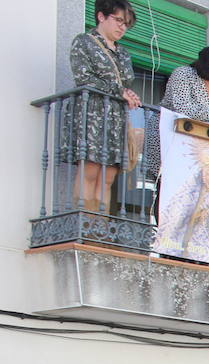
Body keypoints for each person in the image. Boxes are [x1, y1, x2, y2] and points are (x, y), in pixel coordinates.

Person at [62, 0, 142, 212]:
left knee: (108, 176)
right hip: (92, 114)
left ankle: (100, 228)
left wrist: (127, 93)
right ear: (101, 16)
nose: (122, 27)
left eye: (126, 24)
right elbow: (84, 78)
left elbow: (124, 84)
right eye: (118, 20)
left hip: (116, 118)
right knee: (89, 171)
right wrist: (119, 91)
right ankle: (84, 225)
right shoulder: (84, 42)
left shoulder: (123, 53)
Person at [144, 45, 209, 178]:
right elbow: (182, 108)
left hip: (201, 152)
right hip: (170, 140)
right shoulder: (183, 74)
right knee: (167, 189)